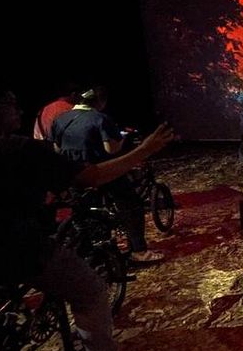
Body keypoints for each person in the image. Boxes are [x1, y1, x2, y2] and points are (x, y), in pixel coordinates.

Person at [0, 77, 175, 351]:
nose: (19, 110)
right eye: (10, 103)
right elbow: (91, 176)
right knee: (90, 290)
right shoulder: (12, 147)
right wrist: (145, 150)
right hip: (12, 247)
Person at [51, 87, 163, 264]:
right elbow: (111, 149)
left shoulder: (60, 119)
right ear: (101, 101)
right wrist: (123, 140)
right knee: (131, 204)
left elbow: (57, 149)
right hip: (101, 172)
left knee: (83, 213)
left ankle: (89, 253)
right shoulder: (99, 118)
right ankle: (139, 251)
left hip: (73, 173)